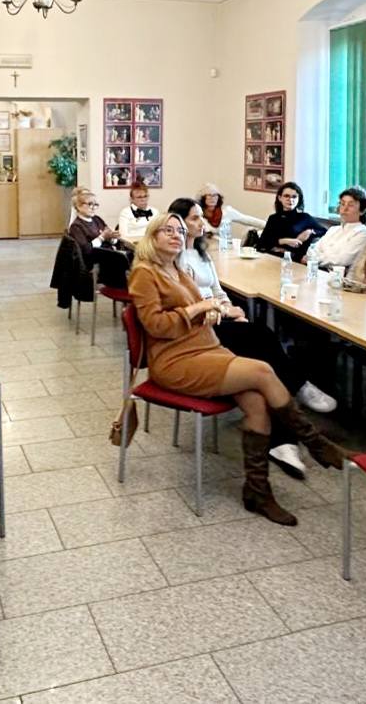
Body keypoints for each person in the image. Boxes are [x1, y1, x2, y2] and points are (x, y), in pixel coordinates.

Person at [127, 215, 344, 526]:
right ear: (152, 237)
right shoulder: (145, 273)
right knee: (263, 371)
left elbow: (193, 311)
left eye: (180, 231)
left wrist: (211, 311)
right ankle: (314, 441)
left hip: (205, 349)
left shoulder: (175, 269)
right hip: (175, 361)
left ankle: (257, 491)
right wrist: (198, 308)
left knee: (257, 402)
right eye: (168, 230)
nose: (176, 235)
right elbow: (156, 326)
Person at [167, 198, 336, 476]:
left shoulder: (201, 254)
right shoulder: (175, 259)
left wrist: (230, 307)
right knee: (260, 337)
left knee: (261, 354)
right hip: (201, 328)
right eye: (194, 218)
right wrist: (226, 311)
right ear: (179, 223)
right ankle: (296, 392)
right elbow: (191, 303)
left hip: (220, 317)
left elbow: (217, 290)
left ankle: (283, 441)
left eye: (200, 217)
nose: (201, 223)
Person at [67, 187, 130, 289]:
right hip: (91, 257)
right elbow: (86, 250)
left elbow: (109, 236)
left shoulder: (97, 219)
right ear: (78, 206)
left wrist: (112, 237)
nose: (93, 208)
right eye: (89, 204)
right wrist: (102, 237)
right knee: (120, 258)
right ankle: (121, 289)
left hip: (106, 251)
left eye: (95, 204)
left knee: (133, 255)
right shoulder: (76, 226)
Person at [254, 181, 326, 258]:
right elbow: (261, 243)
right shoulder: (273, 218)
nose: (290, 199)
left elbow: (325, 231)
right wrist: (285, 241)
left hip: (295, 259)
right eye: (286, 196)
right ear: (280, 198)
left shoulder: (304, 217)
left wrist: (310, 231)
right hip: (272, 256)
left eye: (294, 197)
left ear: (299, 199)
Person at [309, 186, 366, 270]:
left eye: (350, 205)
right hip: (317, 270)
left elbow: (341, 260)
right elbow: (313, 249)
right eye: (342, 204)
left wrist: (315, 259)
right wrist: (316, 258)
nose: (344, 208)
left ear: (362, 210)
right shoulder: (333, 229)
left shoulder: (363, 233)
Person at [197, 183, 267, 238]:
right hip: (203, 247)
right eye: (209, 195)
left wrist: (269, 225)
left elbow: (247, 220)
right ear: (203, 198)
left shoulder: (227, 211)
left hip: (223, 248)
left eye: (215, 195)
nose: (212, 198)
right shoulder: (198, 213)